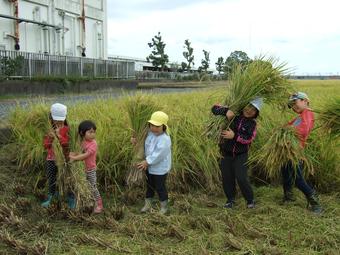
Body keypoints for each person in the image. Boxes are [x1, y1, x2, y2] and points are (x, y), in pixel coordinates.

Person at [211, 98, 263, 209]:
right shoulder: (234, 113)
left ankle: (250, 200)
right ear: (244, 105)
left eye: (254, 110)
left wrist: (234, 136)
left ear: (256, 113)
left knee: (241, 178)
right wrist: (226, 112)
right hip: (225, 153)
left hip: (241, 155)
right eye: (248, 106)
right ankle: (230, 200)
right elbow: (214, 108)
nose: (249, 110)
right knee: (227, 178)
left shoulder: (252, 124)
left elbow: (248, 139)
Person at [282, 92, 322, 213]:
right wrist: (282, 129)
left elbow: (304, 130)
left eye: (295, 103)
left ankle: (315, 202)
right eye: (292, 105)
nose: (294, 107)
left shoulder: (308, 114)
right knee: (285, 173)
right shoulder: (300, 116)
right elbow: (288, 125)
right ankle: (288, 197)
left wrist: (288, 131)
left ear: (305, 101)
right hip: (288, 150)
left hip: (295, 151)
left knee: (296, 178)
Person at [136, 111, 172, 214]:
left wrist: (147, 161)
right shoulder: (150, 134)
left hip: (160, 168)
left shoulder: (165, 139)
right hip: (149, 167)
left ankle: (164, 207)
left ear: (164, 127)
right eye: (152, 125)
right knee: (149, 186)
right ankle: (147, 205)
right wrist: (136, 141)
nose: (154, 128)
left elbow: (159, 154)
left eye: (157, 126)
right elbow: (143, 144)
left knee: (160, 187)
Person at [42, 103, 76, 209]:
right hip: (51, 159)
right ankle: (52, 196)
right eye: (55, 119)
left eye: (60, 119)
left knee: (67, 178)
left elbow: (67, 145)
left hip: (65, 159)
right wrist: (51, 137)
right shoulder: (49, 130)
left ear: (65, 118)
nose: (58, 121)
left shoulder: (67, 129)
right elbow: (46, 146)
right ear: (51, 117)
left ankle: (71, 198)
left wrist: (59, 135)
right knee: (51, 178)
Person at [69, 120, 103, 213]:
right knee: (84, 186)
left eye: (94, 132)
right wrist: (72, 154)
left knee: (93, 187)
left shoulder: (93, 144)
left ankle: (99, 204)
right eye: (90, 132)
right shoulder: (82, 142)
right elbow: (79, 151)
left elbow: (85, 155)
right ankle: (87, 202)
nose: (93, 134)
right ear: (82, 133)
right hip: (82, 170)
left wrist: (75, 158)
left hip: (91, 170)